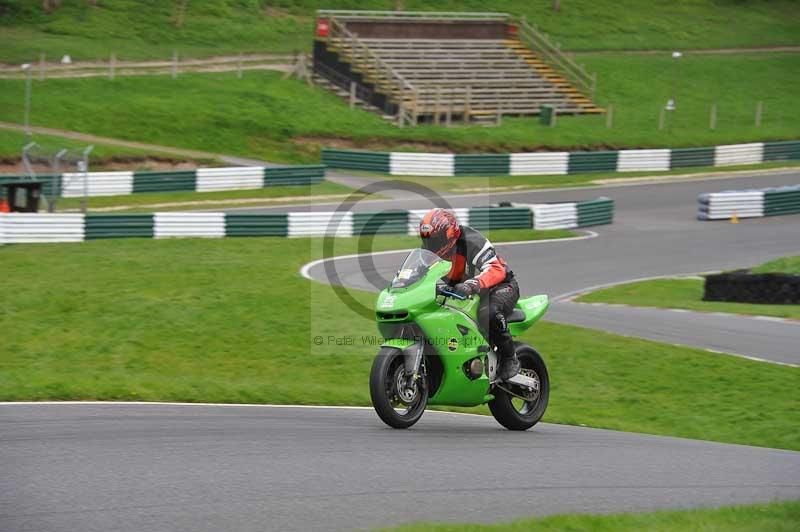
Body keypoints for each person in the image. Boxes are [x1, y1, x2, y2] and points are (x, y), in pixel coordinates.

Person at [418, 208, 520, 380]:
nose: (431, 246)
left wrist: (473, 284)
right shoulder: (428, 252)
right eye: (428, 241)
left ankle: (511, 357)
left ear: (450, 234)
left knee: (488, 313)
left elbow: (496, 270)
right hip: (465, 292)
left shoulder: (472, 241)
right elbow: (420, 274)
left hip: (500, 286)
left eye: (436, 241)